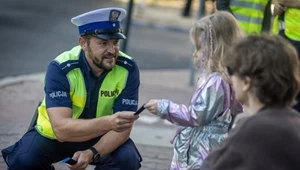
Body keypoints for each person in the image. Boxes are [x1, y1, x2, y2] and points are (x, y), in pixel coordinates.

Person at [1, 7, 142, 170]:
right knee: (22, 161)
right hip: (55, 137)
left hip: (100, 137)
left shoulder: (128, 68)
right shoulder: (61, 67)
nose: (112, 51)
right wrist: (109, 122)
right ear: (83, 43)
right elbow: (61, 129)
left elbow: (122, 129)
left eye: (115, 43)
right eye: (103, 43)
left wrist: (91, 153)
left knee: (127, 160)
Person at [144, 11, 244, 170]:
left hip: (200, 152)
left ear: (214, 48)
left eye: (198, 48)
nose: (194, 53)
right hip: (201, 149)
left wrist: (165, 107)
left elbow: (197, 116)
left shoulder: (216, 82)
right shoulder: (222, 79)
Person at [201, 34, 300, 170]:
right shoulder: (294, 122)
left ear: (247, 82)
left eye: (231, 70)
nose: (229, 78)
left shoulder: (253, 128)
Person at [273, 0, 300, 112]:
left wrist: (287, 2)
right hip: (281, 37)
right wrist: (277, 8)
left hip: (297, 39)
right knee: (280, 83)